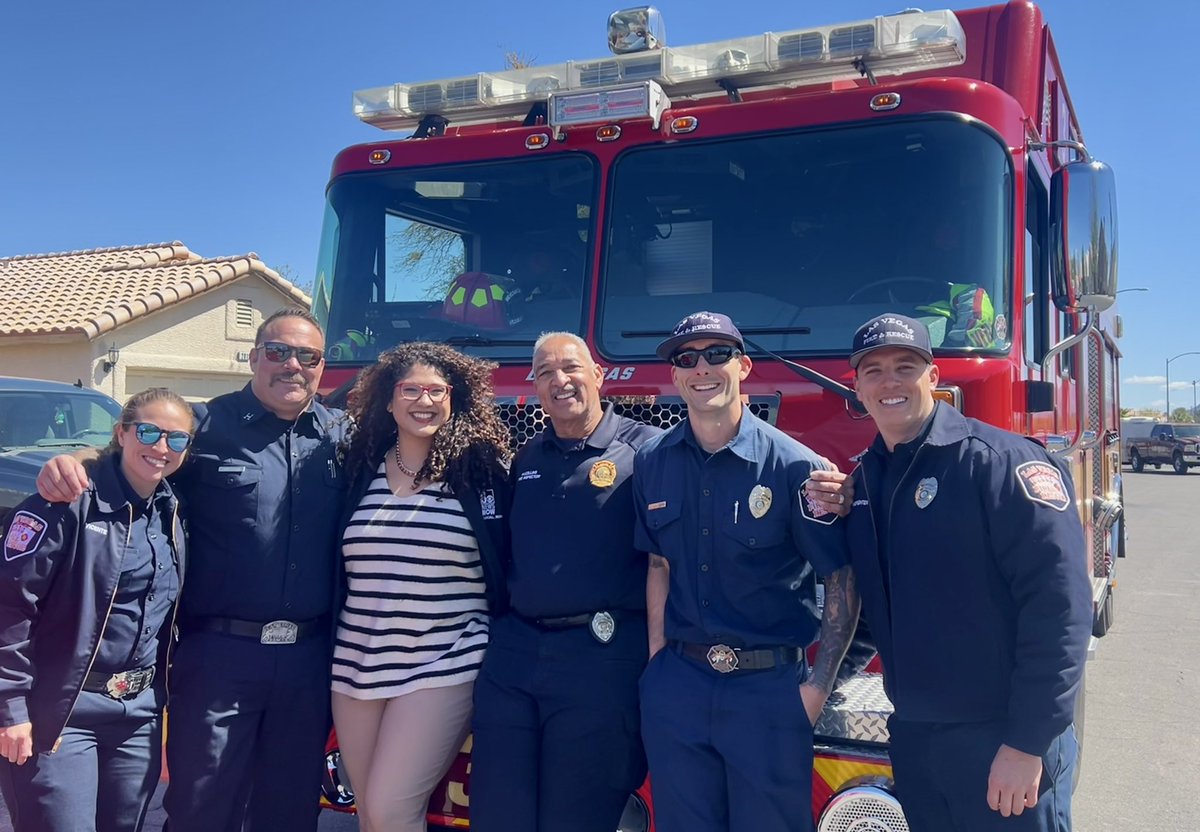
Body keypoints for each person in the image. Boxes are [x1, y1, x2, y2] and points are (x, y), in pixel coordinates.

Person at [35, 308, 349, 832]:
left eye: (307, 356)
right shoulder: (205, 425)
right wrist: (79, 459)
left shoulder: (343, 433)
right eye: (278, 352)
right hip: (219, 659)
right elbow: (137, 451)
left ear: (321, 366)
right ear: (254, 358)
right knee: (203, 807)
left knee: (291, 811)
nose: (292, 365)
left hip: (308, 663)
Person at [843, 313, 1091, 831]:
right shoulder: (866, 482)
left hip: (1000, 739)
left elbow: (1060, 610)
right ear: (858, 388)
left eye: (905, 366)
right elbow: (877, 604)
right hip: (916, 740)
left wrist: (1027, 743)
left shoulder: (1001, 463)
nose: (890, 382)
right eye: (874, 370)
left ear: (933, 378)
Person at [634, 311, 860, 832]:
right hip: (679, 686)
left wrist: (817, 690)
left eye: (717, 355)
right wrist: (656, 665)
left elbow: (840, 579)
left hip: (769, 691)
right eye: (686, 359)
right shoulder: (652, 463)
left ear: (744, 367)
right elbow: (658, 564)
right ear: (675, 376)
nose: (702, 369)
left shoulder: (797, 467)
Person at [467, 331, 660, 832]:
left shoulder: (649, 453)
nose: (559, 380)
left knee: (574, 818)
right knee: (496, 812)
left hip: (599, 658)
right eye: (545, 372)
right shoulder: (527, 457)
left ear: (599, 375)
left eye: (571, 368)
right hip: (513, 657)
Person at [332, 343, 511, 832]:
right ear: (388, 401)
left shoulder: (482, 474)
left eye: (437, 390)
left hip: (444, 661)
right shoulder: (355, 471)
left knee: (392, 810)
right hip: (356, 666)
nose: (424, 400)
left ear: (454, 400)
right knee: (369, 812)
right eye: (410, 389)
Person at [0, 387, 193, 832]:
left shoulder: (175, 511)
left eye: (177, 439)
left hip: (138, 715)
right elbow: (10, 606)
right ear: (122, 432)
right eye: (148, 431)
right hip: (63, 711)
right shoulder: (65, 505)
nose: (162, 447)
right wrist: (10, 708)